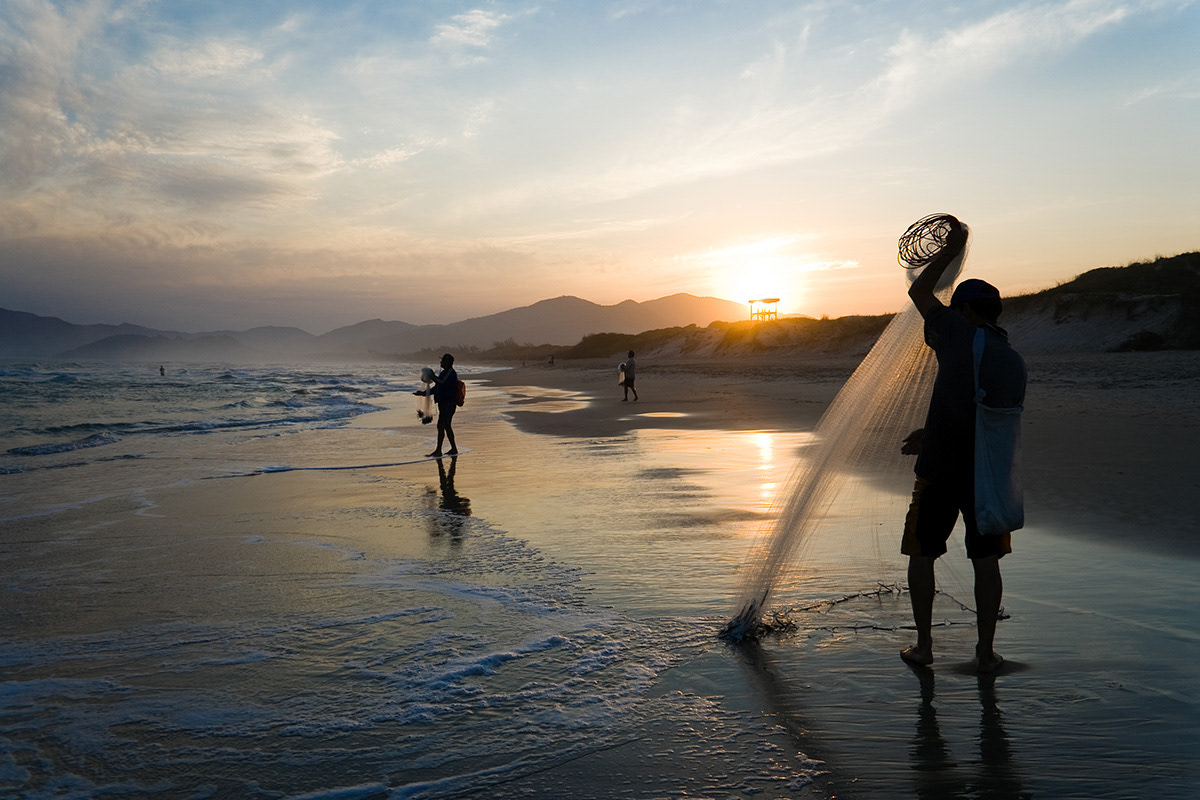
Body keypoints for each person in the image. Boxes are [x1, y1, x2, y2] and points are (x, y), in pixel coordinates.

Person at [900, 218, 1027, 674]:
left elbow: (919, 295)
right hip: (986, 476)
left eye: (956, 308)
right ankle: (985, 650)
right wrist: (927, 431)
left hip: (941, 469)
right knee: (986, 559)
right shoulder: (1013, 360)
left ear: (968, 312)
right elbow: (987, 419)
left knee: (922, 552)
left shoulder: (956, 333)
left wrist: (947, 252)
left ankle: (924, 646)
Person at [414, 353, 459, 457]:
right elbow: (438, 387)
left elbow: (441, 382)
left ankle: (439, 450)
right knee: (446, 426)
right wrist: (423, 393)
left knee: (441, 425)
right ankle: (453, 449)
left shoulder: (450, 372)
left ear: (447, 362)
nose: (441, 363)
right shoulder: (445, 372)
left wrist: (432, 376)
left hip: (448, 403)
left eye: (442, 361)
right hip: (444, 403)